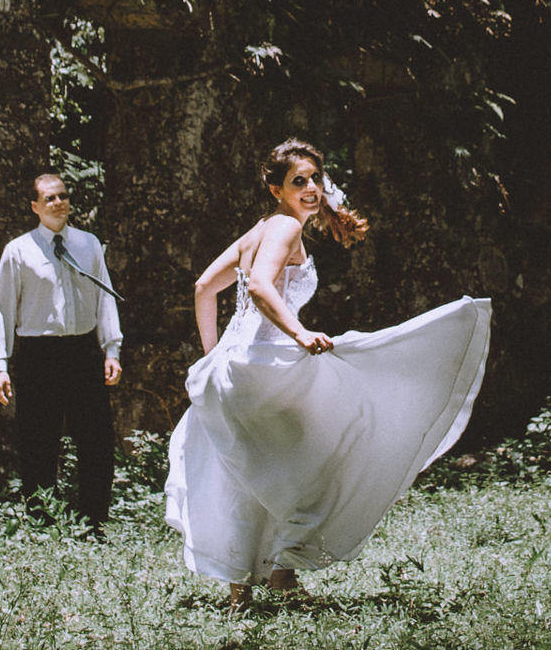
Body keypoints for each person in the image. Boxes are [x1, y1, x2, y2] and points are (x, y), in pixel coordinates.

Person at [165, 139, 492, 606]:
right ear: (276, 188)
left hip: (233, 371)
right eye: (299, 181)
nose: (312, 188)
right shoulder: (282, 228)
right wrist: (298, 333)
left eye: (316, 178)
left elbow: (203, 288)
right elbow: (258, 286)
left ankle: (261, 583)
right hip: (266, 364)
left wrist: (214, 355)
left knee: (255, 471)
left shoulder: (258, 229)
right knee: (329, 447)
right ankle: (278, 573)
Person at [0, 172, 122, 527]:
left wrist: (112, 350)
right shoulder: (19, 250)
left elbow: (103, 297)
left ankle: (94, 521)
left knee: (96, 440)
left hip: (82, 352)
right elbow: (2, 308)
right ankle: (42, 522)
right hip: (38, 354)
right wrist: (0, 364)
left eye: (63, 195)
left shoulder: (89, 244)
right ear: (34, 206)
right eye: (50, 198)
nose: (59, 203)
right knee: (38, 441)